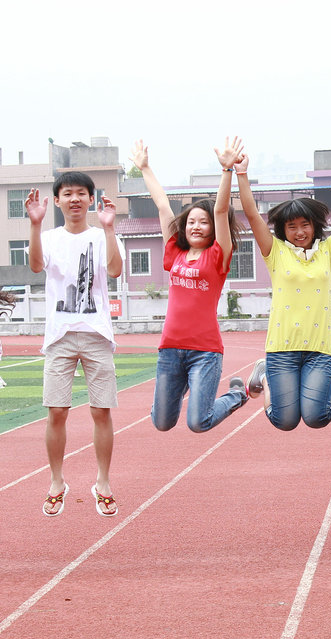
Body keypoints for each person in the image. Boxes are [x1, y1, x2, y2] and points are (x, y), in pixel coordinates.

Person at [235, 149, 331, 431]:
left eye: (304, 225)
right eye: (291, 227)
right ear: (283, 230)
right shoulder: (275, 252)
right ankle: (264, 376)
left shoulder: (328, 252)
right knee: (284, 421)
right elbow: (251, 214)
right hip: (281, 350)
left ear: (314, 226)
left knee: (317, 418)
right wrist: (242, 174)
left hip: (319, 350)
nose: (299, 232)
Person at [131, 138, 248, 432]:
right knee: (162, 422)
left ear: (213, 228)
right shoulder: (175, 252)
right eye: (191, 221)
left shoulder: (217, 256)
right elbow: (162, 205)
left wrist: (227, 171)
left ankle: (236, 395)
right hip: (170, 349)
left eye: (203, 222)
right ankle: (175, 391)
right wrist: (144, 168)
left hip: (204, 352)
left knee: (199, 422)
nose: (196, 226)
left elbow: (221, 210)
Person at [26, 172, 125, 516]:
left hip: (97, 334)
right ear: (57, 201)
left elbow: (115, 270)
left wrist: (109, 228)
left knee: (101, 411)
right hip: (59, 336)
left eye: (81, 193)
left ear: (90, 199)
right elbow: (35, 266)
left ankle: (103, 482)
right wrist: (35, 225)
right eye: (67, 194)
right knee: (56, 411)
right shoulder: (49, 238)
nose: (75, 199)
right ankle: (57, 482)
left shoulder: (102, 235)